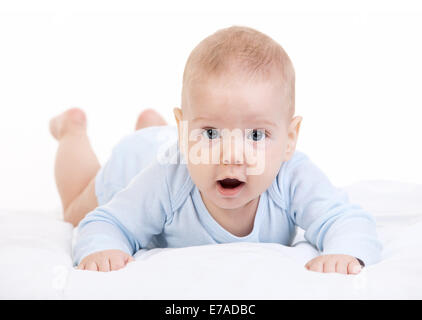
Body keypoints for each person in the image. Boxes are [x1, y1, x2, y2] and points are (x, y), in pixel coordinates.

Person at [50, 25, 382, 274]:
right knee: (74, 210)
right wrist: (104, 247)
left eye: (255, 135)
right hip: (136, 163)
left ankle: (154, 125)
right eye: (211, 132)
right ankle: (72, 131)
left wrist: (346, 251)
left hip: (170, 139)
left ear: (289, 139)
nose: (231, 155)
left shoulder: (293, 176)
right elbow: (105, 223)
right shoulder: (167, 180)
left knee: (158, 136)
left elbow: (345, 219)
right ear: (185, 131)